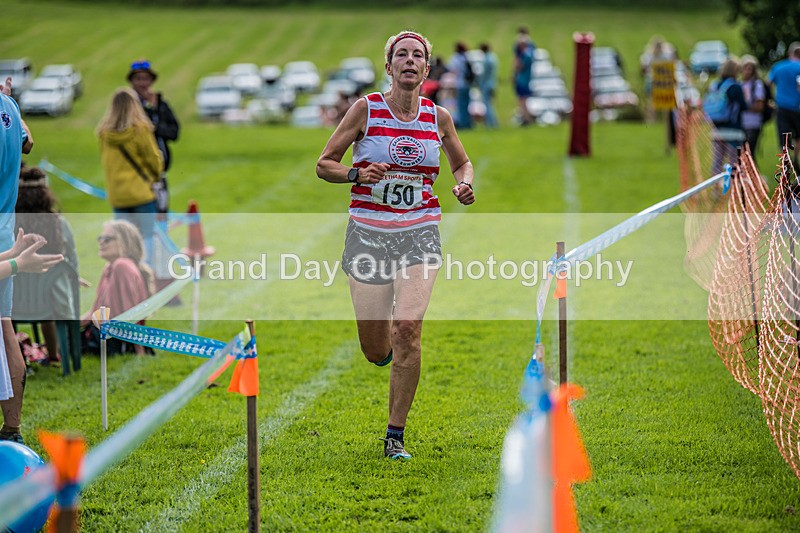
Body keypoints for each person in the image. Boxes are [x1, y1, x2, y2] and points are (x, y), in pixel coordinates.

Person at [316, 30, 475, 460]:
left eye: (417, 55)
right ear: (388, 67)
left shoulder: (438, 117)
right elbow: (324, 164)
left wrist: (464, 183)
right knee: (375, 349)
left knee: (407, 329)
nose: (409, 60)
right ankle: (386, 348)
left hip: (419, 231)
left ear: (426, 68)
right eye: (401, 55)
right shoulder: (366, 109)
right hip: (368, 234)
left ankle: (395, 435)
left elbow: (462, 162)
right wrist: (356, 174)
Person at [0, 75, 37, 445]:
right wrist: (8, 102)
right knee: (4, 326)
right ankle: (12, 428)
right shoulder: (8, 106)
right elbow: (28, 142)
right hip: (5, 230)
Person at [14, 166, 80, 367]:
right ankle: (54, 355)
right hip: (54, 301)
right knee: (50, 293)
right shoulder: (59, 224)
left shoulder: (9, 225)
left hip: (14, 301)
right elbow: (73, 262)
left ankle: (15, 357)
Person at [97, 88, 164, 266]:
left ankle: (125, 272)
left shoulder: (104, 134)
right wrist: (155, 176)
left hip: (118, 195)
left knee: (123, 240)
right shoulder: (141, 129)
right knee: (147, 235)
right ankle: (145, 272)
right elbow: (153, 159)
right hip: (141, 192)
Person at [80, 220, 155, 356]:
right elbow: (95, 311)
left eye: (107, 239)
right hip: (105, 333)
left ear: (124, 242)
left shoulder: (122, 266)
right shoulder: (110, 266)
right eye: (100, 238)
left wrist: (139, 349)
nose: (101, 242)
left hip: (116, 340)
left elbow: (131, 312)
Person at [127, 60, 179, 214]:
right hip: (134, 172)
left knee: (161, 214)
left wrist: (154, 112)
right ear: (131, 82)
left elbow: (174, 133)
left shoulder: (161, 105)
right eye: (138, 79)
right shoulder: (126, 106)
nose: (142, 83)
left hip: (158, 173)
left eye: (146, 79)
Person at [767, 41, 800, 170]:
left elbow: (768, 83)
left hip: (782, 106)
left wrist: (771, 99)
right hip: (797, 107)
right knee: (798, 136)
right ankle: (796, 159)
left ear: (790, 53)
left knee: (784, 136)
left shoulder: (778, 67)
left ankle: (786, 162)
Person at [740, 55, 767, 163]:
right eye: (745, 68)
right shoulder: (740, 84)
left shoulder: (757, 85)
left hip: (753, 123)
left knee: (750, 153)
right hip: (741, 123)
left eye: (750, 69)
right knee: (743, 154)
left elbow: (759, 106)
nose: (747, 71)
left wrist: (744, 106)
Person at [449, 42, 473, 129]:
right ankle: (468, 122)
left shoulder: (455, 58)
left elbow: (452, 69)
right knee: (467, 105)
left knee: (461, 105)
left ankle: (462, 123)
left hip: (459, 84)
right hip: (467, 84)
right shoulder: (467, 57)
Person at [513, 36, 534, 126]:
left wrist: (517, 59)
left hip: (523, 81)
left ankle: (526, 118)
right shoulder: (527, 54)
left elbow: (518, 67)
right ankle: (526, 118)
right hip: (524, 80)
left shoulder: (526, 55)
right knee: (522, 101)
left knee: (522, 101)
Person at [478, 42, 499, 128]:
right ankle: (492, 121)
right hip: (493, 83)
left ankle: (492, 122)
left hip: (486, 85)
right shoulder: (493, 57)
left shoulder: (487, 59)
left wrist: (480, 84)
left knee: (487, 104)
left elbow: (484, 74)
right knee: (490, 103)